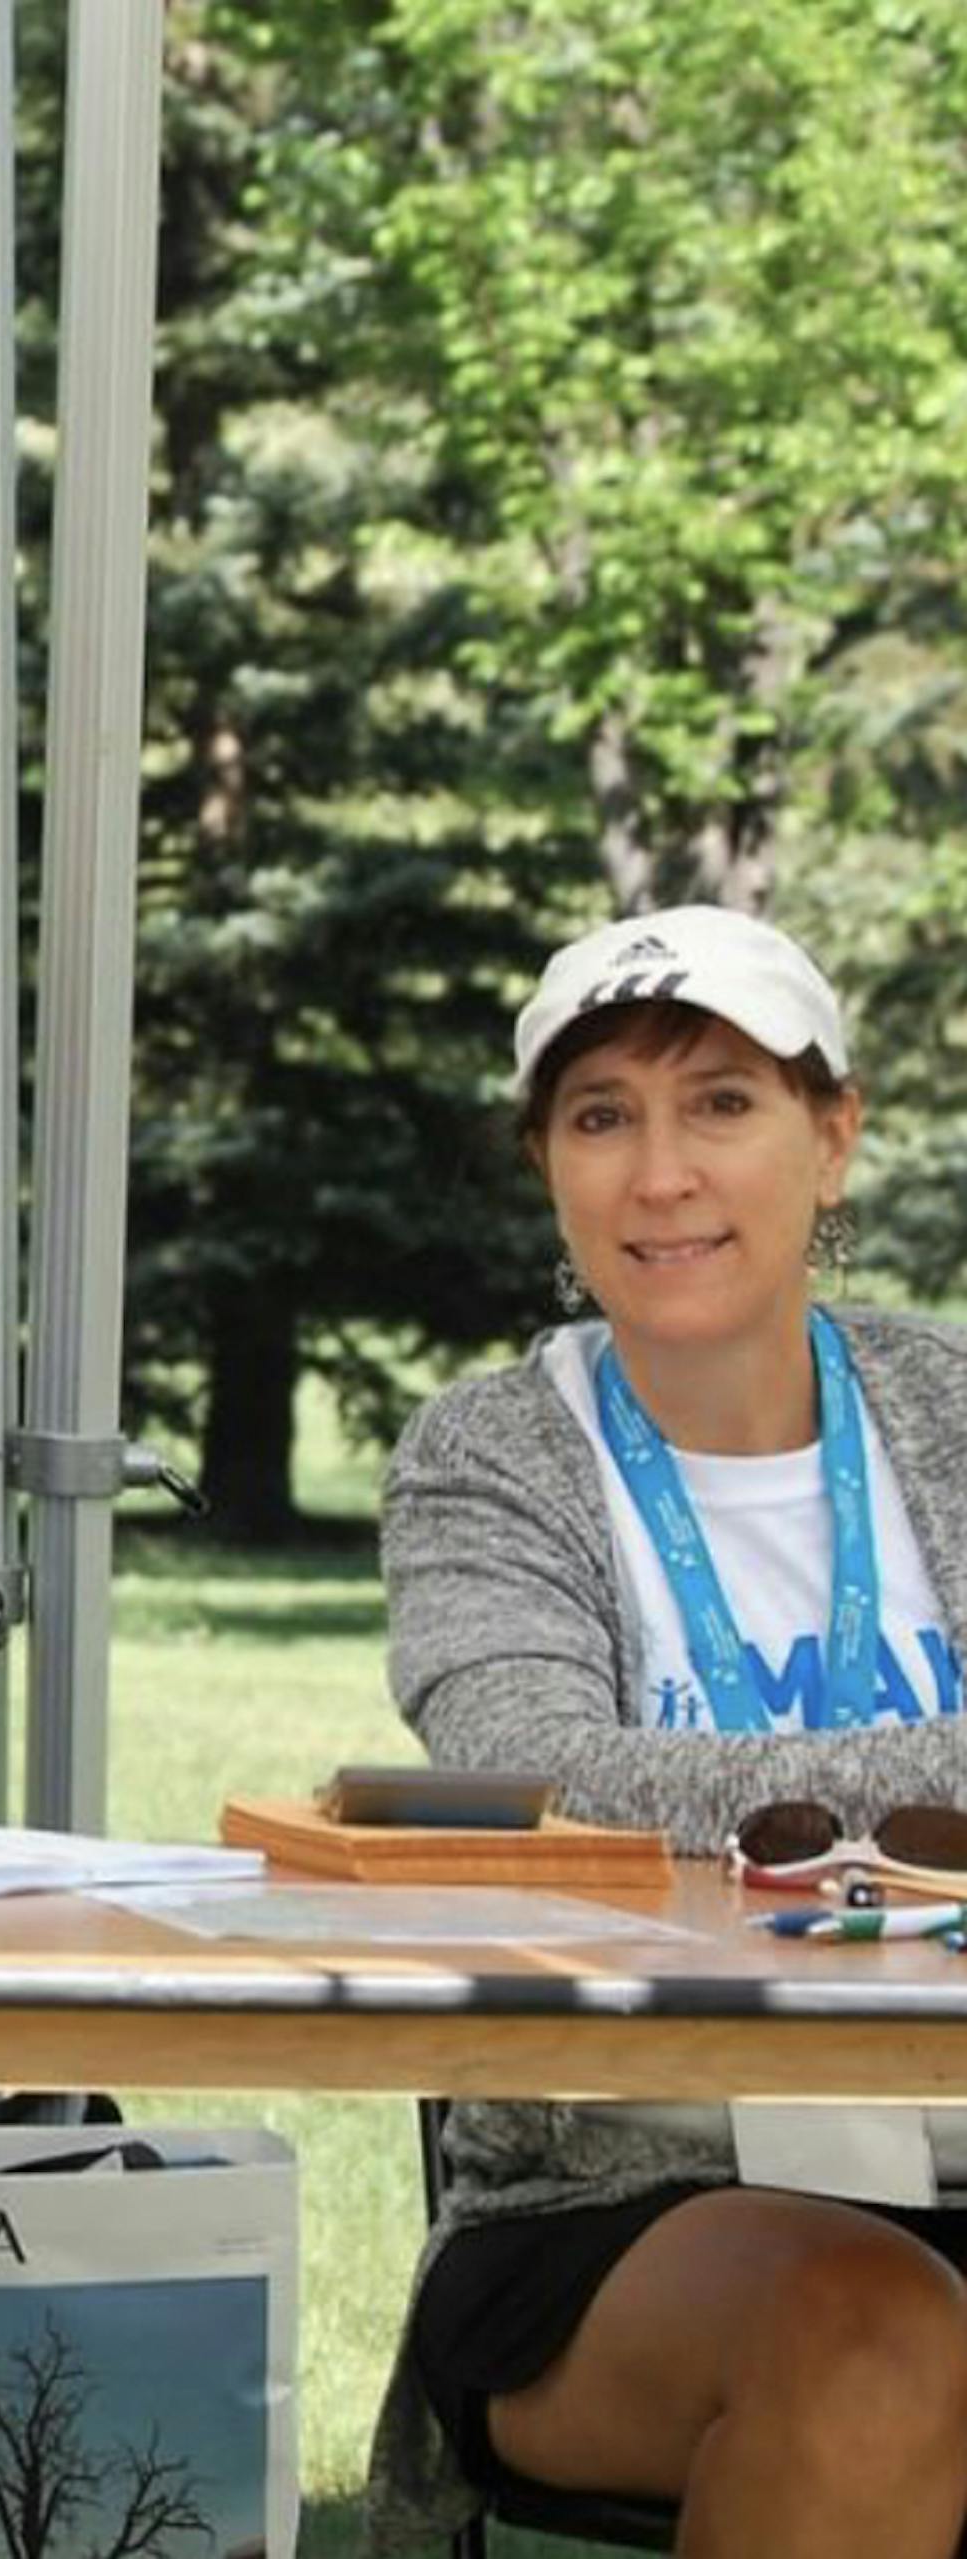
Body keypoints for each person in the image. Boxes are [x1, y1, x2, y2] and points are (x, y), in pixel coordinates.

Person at [368, 905, 967, 2556]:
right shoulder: (490, 1454)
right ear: (549, 1166)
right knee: (868, 2330)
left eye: (722, 1103)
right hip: (617, 2190)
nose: (662, 1173)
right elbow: (544, 1777)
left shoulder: (954, 1409)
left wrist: (762, 1806)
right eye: (603, 1115)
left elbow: (648, 1789)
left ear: (832, 1140)